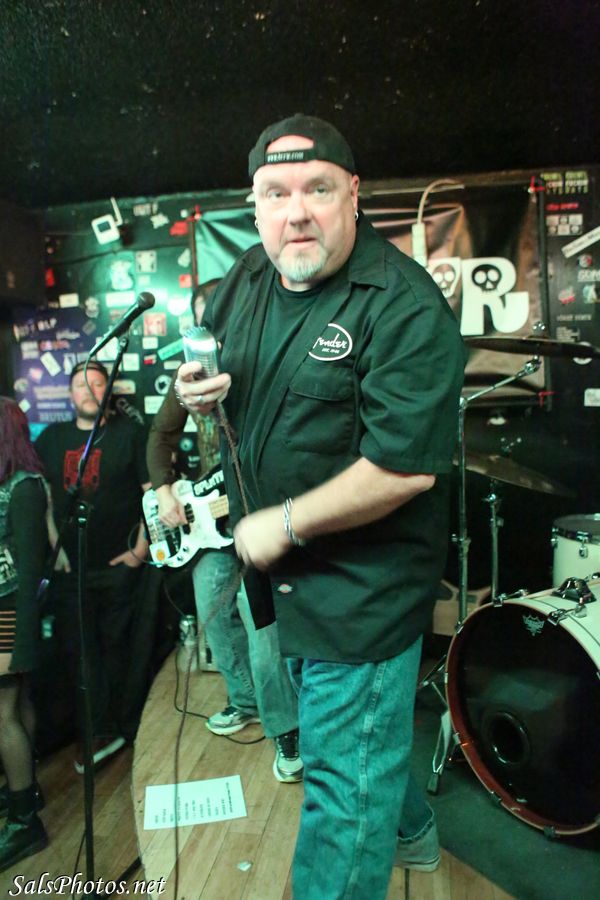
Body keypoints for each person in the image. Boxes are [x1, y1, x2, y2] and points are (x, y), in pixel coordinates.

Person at [173, 114, 466, 898]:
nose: (296, 212)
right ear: (255, 205)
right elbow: (215, 373)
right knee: (357, 750)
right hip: (283, 583)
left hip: (361, 594)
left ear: (354, 195)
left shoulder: (403, 305)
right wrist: (196, 394)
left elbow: (404, 471)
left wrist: (284, 522)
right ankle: (412, 832)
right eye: (276, 193)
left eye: (318, 189)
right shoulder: (247, 276)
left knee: (337, 792)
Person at [146, 280, 301, 782]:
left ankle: (286, 730)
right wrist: (164, 490)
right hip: (210, 523)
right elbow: (160, 434)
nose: (208, 332)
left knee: (263, 632)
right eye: (200, 321)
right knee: (212, 611)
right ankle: (244, 700)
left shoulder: (265, 362)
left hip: (256, 517)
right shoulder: (190, 376)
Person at [35, 360, 150, 770]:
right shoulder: (51, 438)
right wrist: (56, 547)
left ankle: (121, 727)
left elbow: (151, 493)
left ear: (108, 391)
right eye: (81, 385)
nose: (88, 391)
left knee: (119, 650)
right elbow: (45, 499)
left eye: (97, 384)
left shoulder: (129, 433)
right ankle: (94, 731)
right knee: (79, 654)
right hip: (72, 572)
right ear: (70, 395)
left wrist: (140, 550)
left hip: (118, 567)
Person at [0, 398, 49, 871]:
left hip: (10, 614)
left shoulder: (25, 487)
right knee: (17, 704)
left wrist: (25, 642)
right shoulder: (9, 484)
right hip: (5, 610)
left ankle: (24, 822)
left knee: (3, 713)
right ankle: (25, 791)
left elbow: (32, 569)